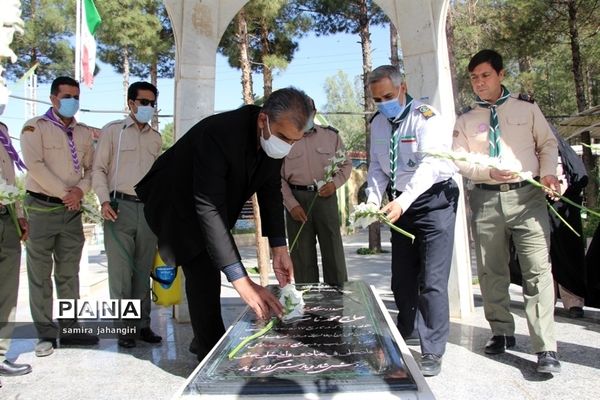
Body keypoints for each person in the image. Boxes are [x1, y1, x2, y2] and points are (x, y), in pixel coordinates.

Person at [135, 87, 311, 361]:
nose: (287, 146)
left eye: (294, 141)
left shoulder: (273, 138)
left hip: (211, 202)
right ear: (263, 120)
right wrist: (242, 281)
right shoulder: (219, 134)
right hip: (175, 201)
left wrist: (280, 247)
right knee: (202, 264)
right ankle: (210, 351)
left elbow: (270, 189)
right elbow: (207, 207)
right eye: (284, 137)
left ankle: (204, 341)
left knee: (210, 259)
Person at [453, 49, 561, 374]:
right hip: (486, 200)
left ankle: (546, 348)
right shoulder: (466, 118)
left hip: (528, 197)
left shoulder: (526, 109)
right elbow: (459, 159)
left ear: (500, 75)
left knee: (537, 270)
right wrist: (486, 173)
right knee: (490, 270)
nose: (479, 82)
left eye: (485, 75)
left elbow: (548, 144)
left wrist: (549, 173)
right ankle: (501, 332)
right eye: (474, 77)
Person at [365, 65, 459, 377]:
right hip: (400, 204)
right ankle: (405, 329)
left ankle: (432, 350)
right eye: (377, 99)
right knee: (402, 277)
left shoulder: (425, 117)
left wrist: (403, 202)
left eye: (388, 96)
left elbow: (431, 165)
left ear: (403, 87)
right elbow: (378, 169)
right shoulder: (379, 124)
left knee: (431, 280)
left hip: (433, 202)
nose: (383, 103)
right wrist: (371, 200)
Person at [20, 76, 98, 357]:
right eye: (67, 96)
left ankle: (71, 327)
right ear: (53, 99)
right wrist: (67, 192)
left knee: (69, 273)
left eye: (76, 97)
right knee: (40, 275)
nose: (72, 102)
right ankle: (45, 334)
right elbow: (35, 165)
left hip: (71, 211)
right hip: (42, 208)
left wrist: (79, 191)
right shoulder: (34, 128)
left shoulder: (84, 132)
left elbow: (91, 169)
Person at [92, 82, 163, 348]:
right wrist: (103, 201)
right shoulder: (114, 132)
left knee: (143, 271)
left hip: (147, 209)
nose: (148, 107)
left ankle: (143, 325)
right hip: (118, 208)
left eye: (152, 103)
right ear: (131, 103)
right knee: (121, 274)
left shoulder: (156, 138)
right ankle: (124, 329)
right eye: (143, 102)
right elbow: (98, 169)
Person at [281, 98, 351, 286]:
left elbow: (345, 165)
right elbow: (277, 178)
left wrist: (334, 184)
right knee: (302, 256)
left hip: (325, 198)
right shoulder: (284, 138)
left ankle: (338, 301)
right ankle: (309, 305)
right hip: (296, 201)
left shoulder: (331, 136)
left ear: (314, 112)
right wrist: (291, 204)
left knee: (333, 251)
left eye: (307, 113)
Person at [0, 121, 32, 386]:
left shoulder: (2, 131)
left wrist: (20, 216)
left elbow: (10, 178)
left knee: (7, 293)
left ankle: (0, 355)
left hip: (6, 217)